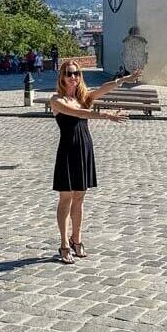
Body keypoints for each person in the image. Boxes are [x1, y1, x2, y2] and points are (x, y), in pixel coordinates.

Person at [51, 60, 140, 264]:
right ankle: (64, 243)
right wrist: (106, 115)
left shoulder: (83, 98)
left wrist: (124, 79)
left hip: (84, 149)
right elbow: (78, 114)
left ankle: (77, 239)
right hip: (67, 151)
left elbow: (103, 89)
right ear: (62, 77)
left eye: (76, 73)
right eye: (69, 73)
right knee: (66, 197)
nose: (73, 77)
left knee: (80, 197)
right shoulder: (57, 100)